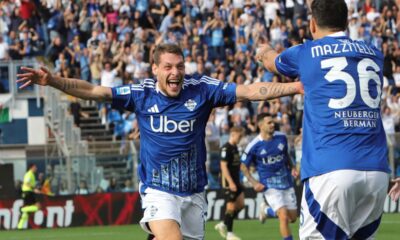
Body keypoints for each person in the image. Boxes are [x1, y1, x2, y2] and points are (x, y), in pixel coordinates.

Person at [17, 43, 302, 239]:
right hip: (158, 189)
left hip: (193, 191)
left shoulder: (202, 89)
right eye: (167, 67)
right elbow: (94, 90)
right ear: (155, 69)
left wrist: (296, 86)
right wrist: (54, 81)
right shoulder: (141, 94)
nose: (175, 72)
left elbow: (249, 91)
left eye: (179, 66)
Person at [256, 0, 390, 239]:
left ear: (312, 24)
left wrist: (264, 50)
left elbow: (271, 62)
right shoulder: (374, 54)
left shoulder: (306, 53)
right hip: (377, 172)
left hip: (331, 169)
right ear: (347, 22)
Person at [241, 113, 298, 240]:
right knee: (283, 216)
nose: (273, 125)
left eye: (273, 122)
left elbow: (286, 155)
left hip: (286, 181)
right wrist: (254, 183)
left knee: (292, 218)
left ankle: (266, 210)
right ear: (260, 125)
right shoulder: (254, 145)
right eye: (269, 123)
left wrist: (293, 167)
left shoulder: (282, 137)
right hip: (269, 184)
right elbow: (243, 166)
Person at [214, 126, 245, 240]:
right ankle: (230, 234)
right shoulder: (225, 148)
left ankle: (223, 223)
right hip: (228, 182)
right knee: (231, 206)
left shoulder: (235, 148)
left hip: (236, 180)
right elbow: (223, 167)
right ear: (233, 133)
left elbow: (236, 165)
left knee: (241, 205)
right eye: (239, 136)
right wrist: (231, 182)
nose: (240, 138)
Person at [17, 163, 41, 229]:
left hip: (28, 192)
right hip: (28, 192)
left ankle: (20, 226)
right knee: (38, 207)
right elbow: (27, 183)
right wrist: (34, 189)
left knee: (27, 212)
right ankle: (22, 209)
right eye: (35, 167)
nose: (36, 168)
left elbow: (30, 183)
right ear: (31, 167)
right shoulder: (29, 174)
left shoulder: (31, 174)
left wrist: (35, 188)